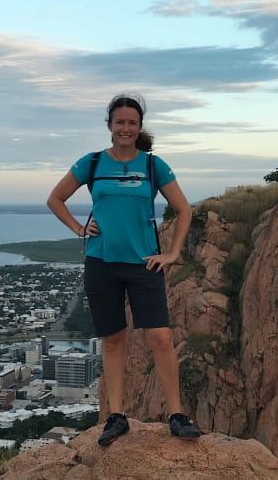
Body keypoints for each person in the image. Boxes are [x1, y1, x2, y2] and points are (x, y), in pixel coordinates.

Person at [47, 92, 201, 445]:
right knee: (114, 341)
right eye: (120, 122)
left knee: (160, 339)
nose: (126, 128)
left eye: (132, 122)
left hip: (144, 264)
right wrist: (79, 229)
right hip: (101, 263)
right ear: (110, 126)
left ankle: (176, 414)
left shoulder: (152, 165)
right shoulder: (93, 163)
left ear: (139, 127)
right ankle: (116, 417)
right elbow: (55, 199)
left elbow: (184, 209)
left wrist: (173, 252)